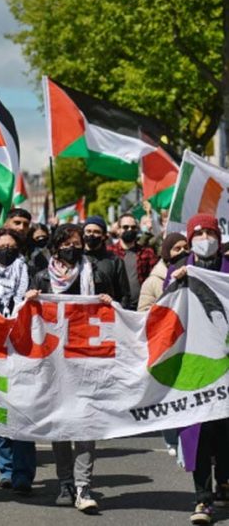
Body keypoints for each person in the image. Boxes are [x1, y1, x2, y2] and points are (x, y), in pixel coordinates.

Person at [28, 223, 116, 513]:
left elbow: (111, 311)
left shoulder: (96, 273)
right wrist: (29, 301)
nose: (72, 247)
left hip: (87, 358)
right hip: (54, 362)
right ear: (56, 246)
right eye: (66, 242)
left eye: (77, 242)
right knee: (61, 424)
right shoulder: (41, 277)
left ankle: (83, 486)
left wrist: (106, 302)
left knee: (86, 422)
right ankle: (65, 482)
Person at [163, 214, 229, 525]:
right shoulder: (178, 271)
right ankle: (202, 499)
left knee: (225, 431)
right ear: (189, 239)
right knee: (199, 431)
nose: (205, 237)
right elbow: (166, 315)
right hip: (194, 365)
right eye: (198, 232)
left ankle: (225, 484)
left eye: (209, 232)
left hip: (226, 363)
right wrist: (174, 287)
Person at [0, 228, 37, 495]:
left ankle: (23, 474)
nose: (6, 251)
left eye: (12, 247)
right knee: (0, 411)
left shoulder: (30, 271)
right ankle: (6, 469)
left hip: (23, 347)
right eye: (1, 246)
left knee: (23, 412)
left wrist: (34, 297)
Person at [138, 231, 188, 458]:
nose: (183, 252)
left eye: (186, 247)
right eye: (177, 249)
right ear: (167, 252)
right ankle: (172, 438)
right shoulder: (153, 281)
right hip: (167, 346)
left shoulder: (196, 274)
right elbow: (143, 315)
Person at [107, 214, 158, 310]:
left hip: (141, 307)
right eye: (126, 227)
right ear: (118, 230)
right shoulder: (109, 252)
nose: (130, 230)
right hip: (116, 307)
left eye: (133, 227)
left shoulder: (147, 252)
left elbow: (154, 277)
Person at [82, 216, 131, 309]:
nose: (91, 235)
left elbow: (124, 295)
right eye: (88, 231)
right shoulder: (77, 258)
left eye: (96, 232)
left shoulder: (114, 261)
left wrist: (114, 304)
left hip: (106, 317)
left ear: (104, 236)